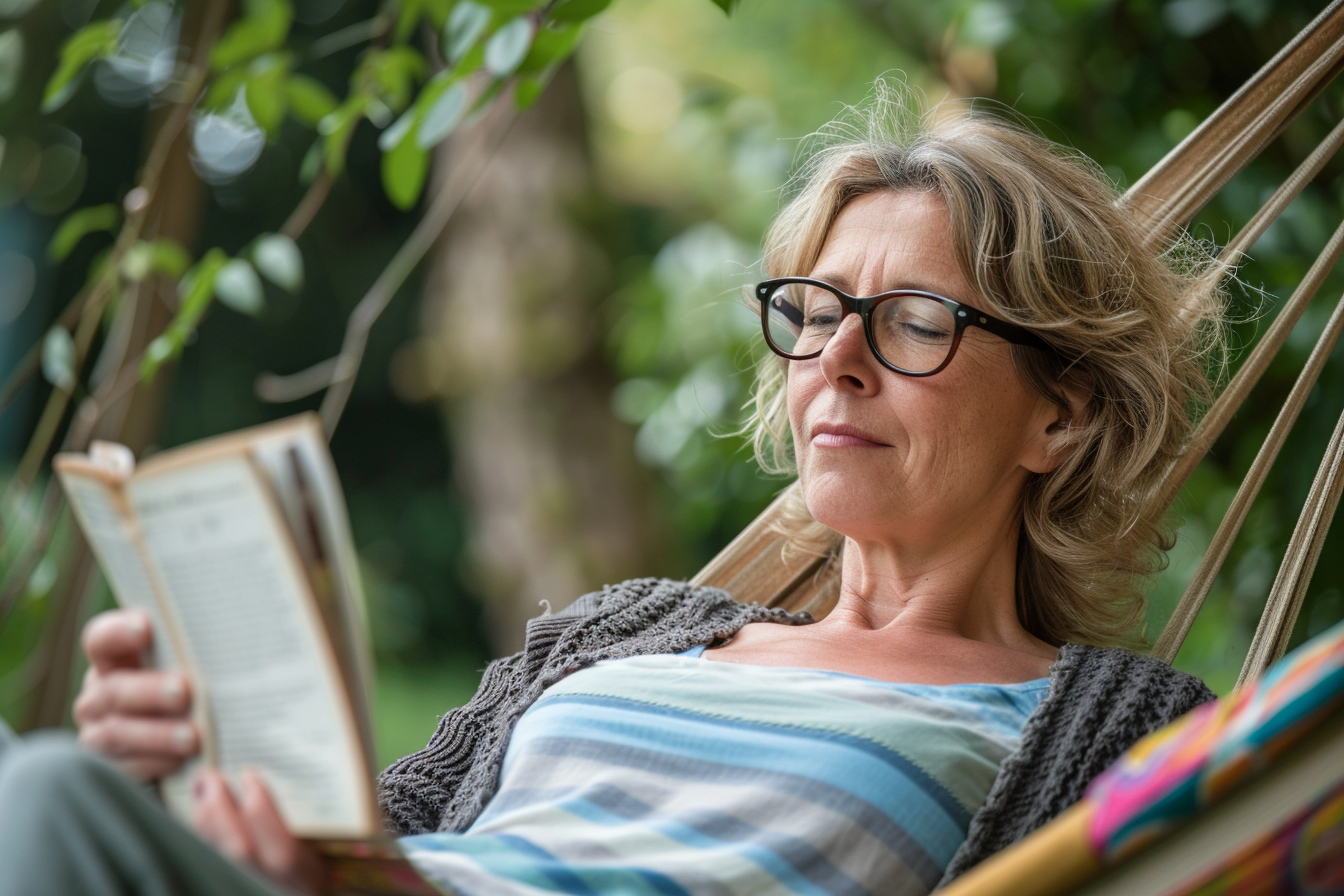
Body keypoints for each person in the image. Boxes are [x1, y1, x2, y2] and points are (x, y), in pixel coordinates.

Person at [0, 90, 1226, 896]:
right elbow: (370, 831)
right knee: (46, 778)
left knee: (39, 796)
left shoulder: (1118, 737)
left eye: (913, 322)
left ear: (1060, 412)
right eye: (813, 312)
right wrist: (190, 768)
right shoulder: (625, 629)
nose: (836, 360)